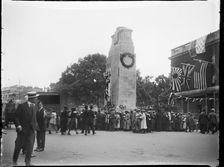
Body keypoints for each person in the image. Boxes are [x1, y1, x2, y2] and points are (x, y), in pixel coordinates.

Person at [12, 92, 39, 166]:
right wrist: (18, 125)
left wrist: (35, 127)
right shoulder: (21, 106)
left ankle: (28, 162)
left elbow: (34, 118)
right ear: (32, 98)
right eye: (35, 98)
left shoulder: (34, 106)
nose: (36, 99)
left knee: (30, 146)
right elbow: (16, 117)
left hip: (31, 130)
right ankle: (14, 161)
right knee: (18, 146)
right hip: (22, 130)